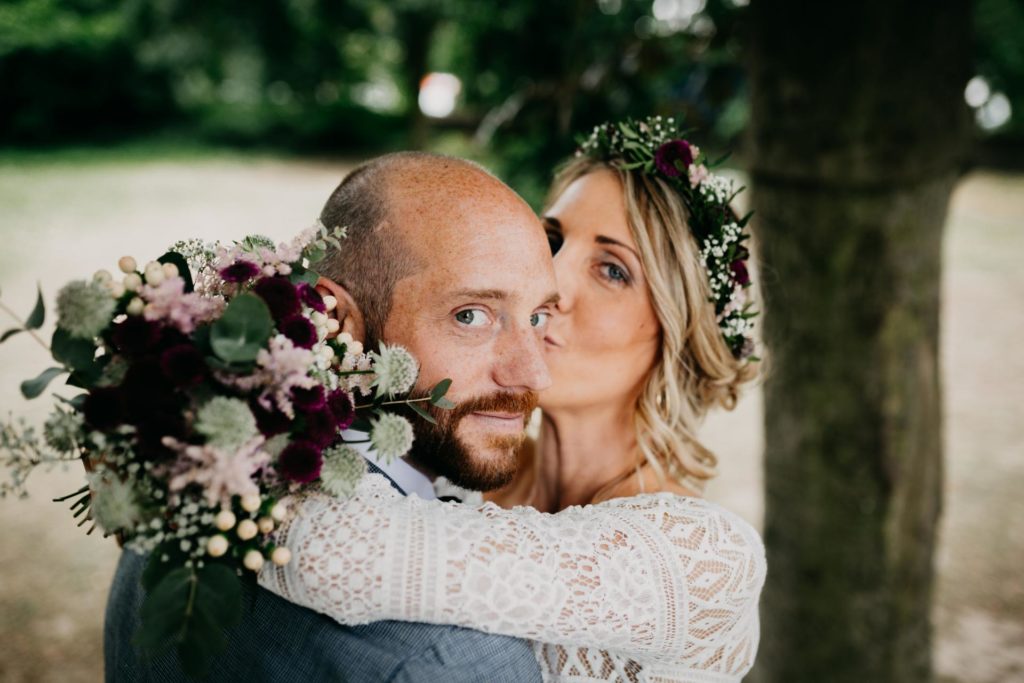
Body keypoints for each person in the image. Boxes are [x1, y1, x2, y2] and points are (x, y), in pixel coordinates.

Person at [260, 118, 767, 682]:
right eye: (553, 240)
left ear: (678, 332)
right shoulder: (459, 460)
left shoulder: (701, 559)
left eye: (612, 270)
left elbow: (331, 554)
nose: (551, 280)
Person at [103, 152, 556, 682]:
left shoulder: (187, 460)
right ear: (337, 319)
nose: (534, 371)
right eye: (471, 315)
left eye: (539, 315)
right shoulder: (454, 661)